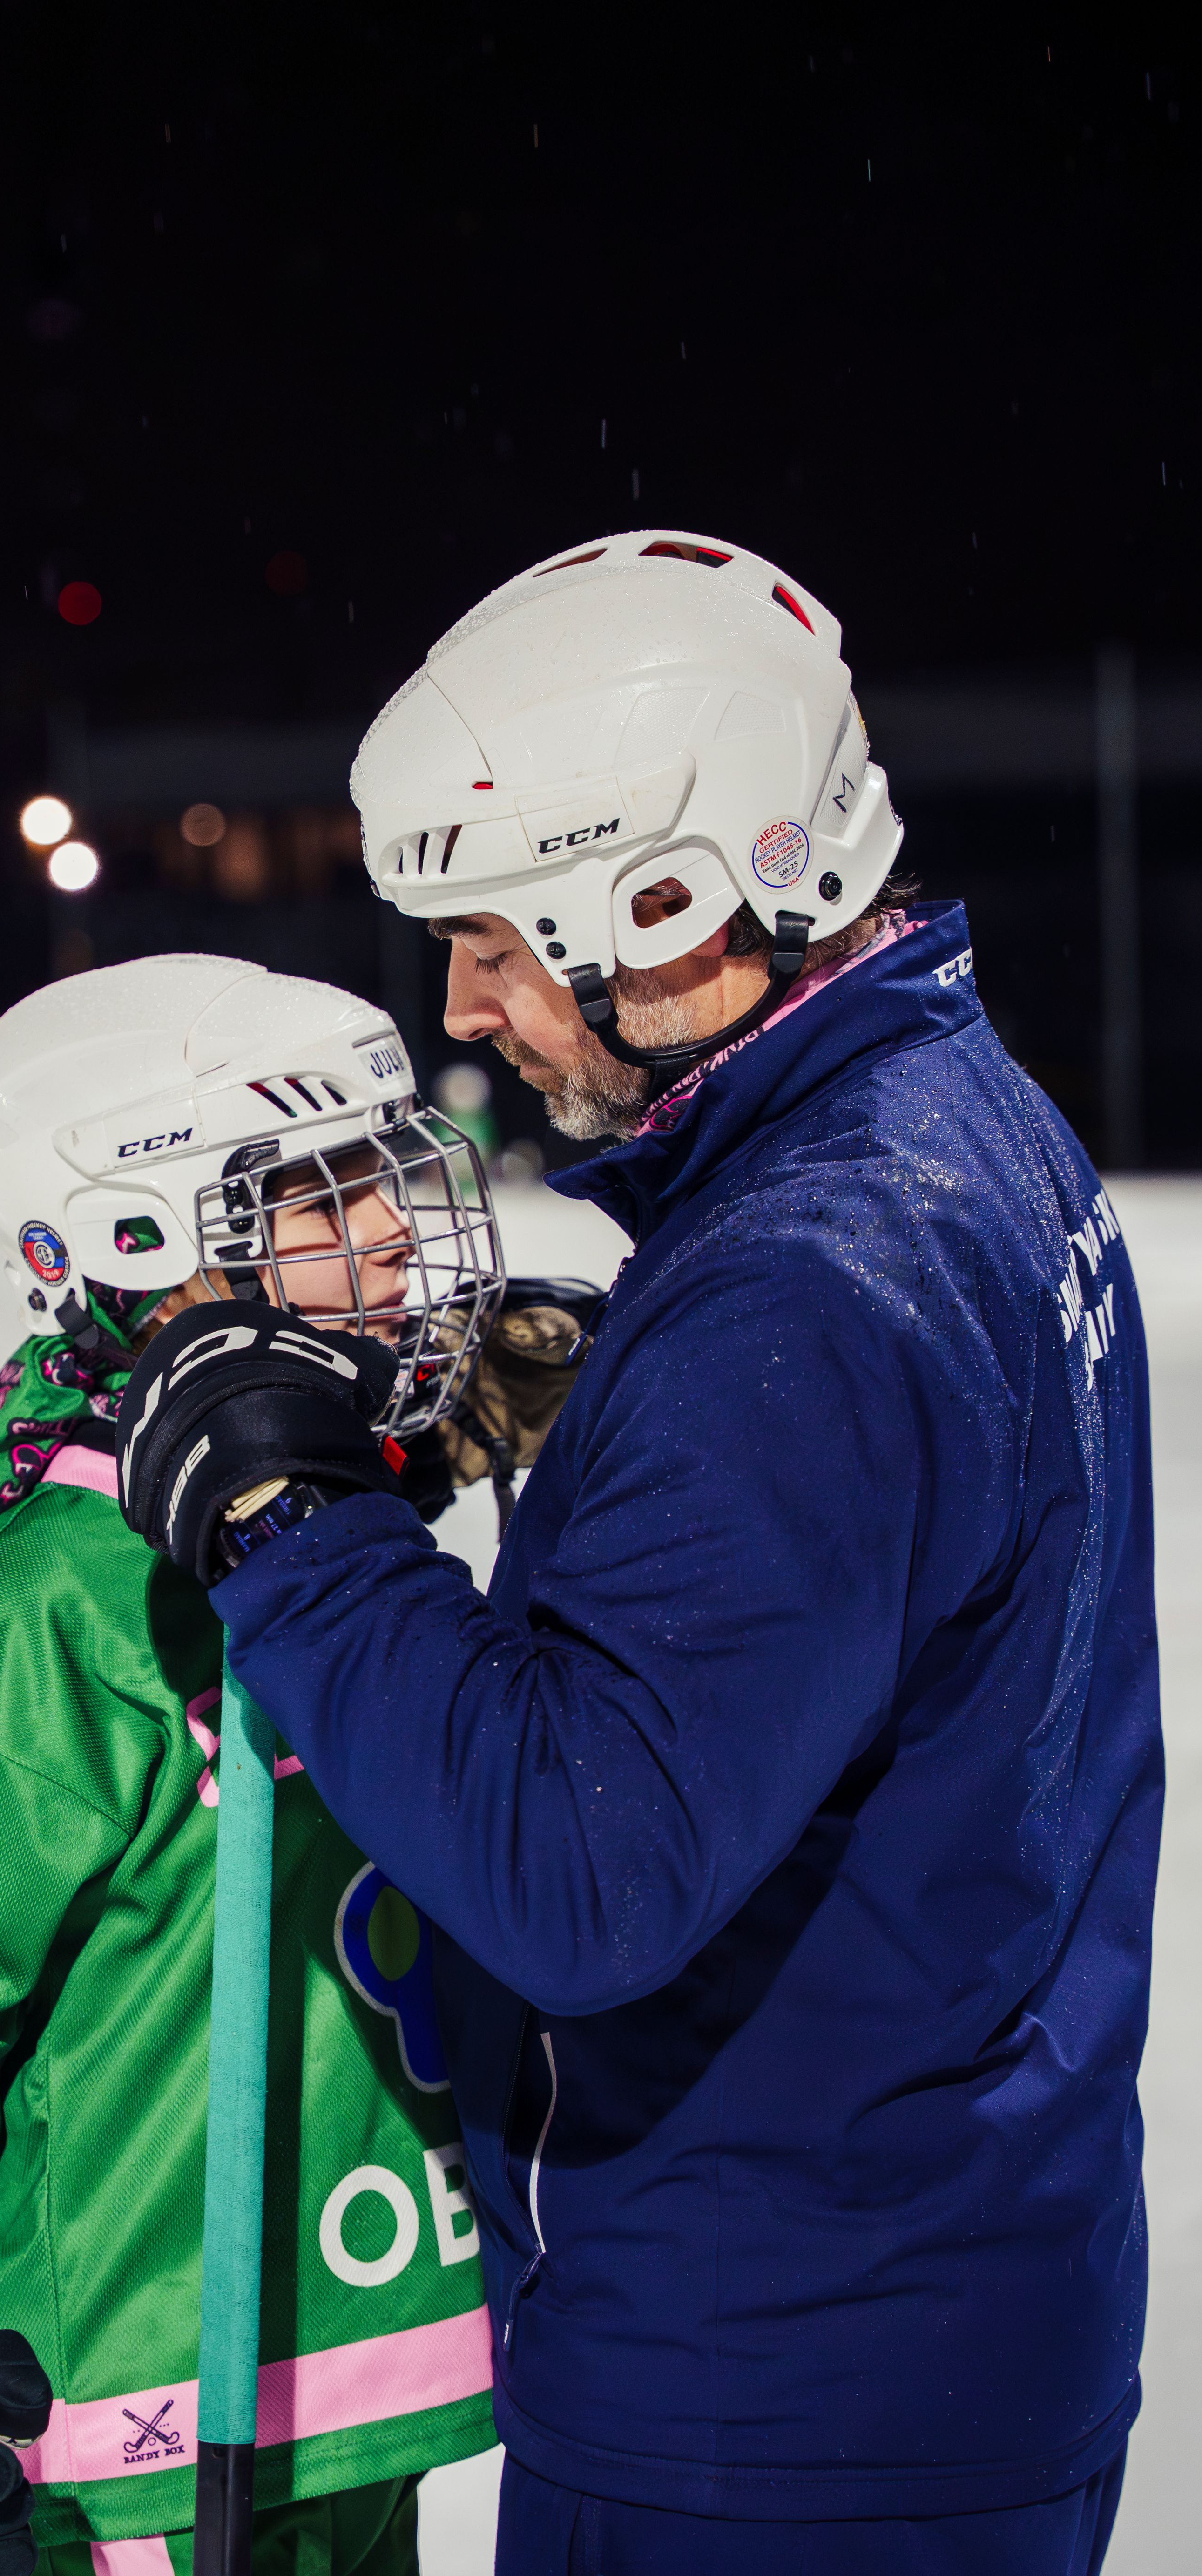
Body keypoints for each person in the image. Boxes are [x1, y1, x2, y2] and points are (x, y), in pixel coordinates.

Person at [115, 535, 1161, 2575]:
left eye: (496, 943)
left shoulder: (810, 1288)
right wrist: (620, 1422)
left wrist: (289, 1517)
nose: (462, 1006)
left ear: (669, 903)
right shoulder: (954, 1126)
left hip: (768, 2402)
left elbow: (578, 1871)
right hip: (939, 2309)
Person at [0, 954, 516, 2576]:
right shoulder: (69, 1596)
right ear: (149, 1244)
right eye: (327, 1204)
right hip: (150, 2464)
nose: (397, 1237)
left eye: (385, 1183)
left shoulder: (344, 1518)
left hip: (342, 2414)